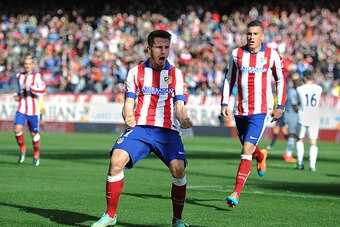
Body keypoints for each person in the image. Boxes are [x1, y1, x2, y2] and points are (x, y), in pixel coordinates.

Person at [92, 30, 193, 227]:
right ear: (149, 49)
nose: (163, 51)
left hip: (167, 130)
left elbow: (179, 106)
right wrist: (127, 113)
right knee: (116, 160)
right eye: (159, 47)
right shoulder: (135, 72)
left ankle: (177, 219)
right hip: (140, 127)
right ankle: (110, 215)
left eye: (166, 47)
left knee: (178, 169)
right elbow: (128, 102)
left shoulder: (176, 74)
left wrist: (184, 118)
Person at [220, 20, 286, 208]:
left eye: (255, 34)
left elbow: (281, 80)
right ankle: (261, 156)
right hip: (240, 110)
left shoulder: (271, 55)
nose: (251, 37)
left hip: (260, 111)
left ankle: (236, 192)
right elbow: (228, 79)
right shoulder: (237, 54)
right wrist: (224, 102)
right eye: (249, 33)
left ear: (262, 36)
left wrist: (280, 105)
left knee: (246, 148)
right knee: (250, 149)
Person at [14, 55, 46, 166]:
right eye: (25, 64)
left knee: (34, 134)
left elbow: (43, 90)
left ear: (32, 64)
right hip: (22, 107)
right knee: (17, 129)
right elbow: (19, 90)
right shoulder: (19, 76)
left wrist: (31, 89)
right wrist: (17, 95)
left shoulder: (37, 76)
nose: (27, 66)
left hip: (34, 109)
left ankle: (36, 154)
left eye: (29, 63)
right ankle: (23, 149)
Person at [295, 70, 322, 171]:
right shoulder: (319, 88)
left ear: (305, 78)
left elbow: (298, 102)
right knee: (313, 141)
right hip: (314, 117)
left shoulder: (300, 89)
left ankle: (300, 163)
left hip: (303, 115)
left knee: (300, 139)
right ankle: (312, 165)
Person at [282, 75, 302, 162]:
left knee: (294, 135)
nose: (298, 83)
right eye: (296, 81)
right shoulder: (292, 92)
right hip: (292, 115)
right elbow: (295, 106)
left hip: (294, 115)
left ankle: (289, 153)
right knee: (292, 134)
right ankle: (288, 154)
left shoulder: (296, 91)